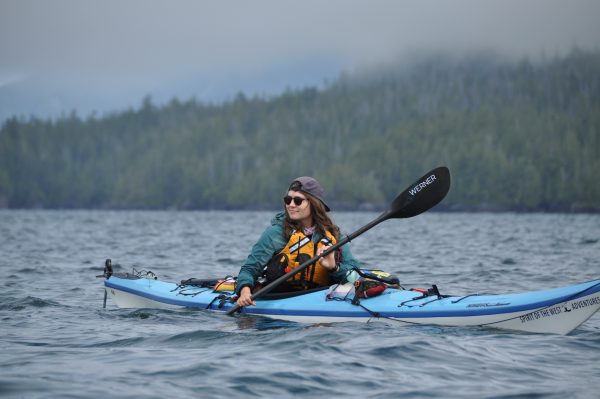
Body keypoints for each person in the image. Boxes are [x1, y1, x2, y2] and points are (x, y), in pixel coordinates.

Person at [236, 176, 360, 307]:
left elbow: (354, 275)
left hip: (320, 302)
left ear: (314, 203)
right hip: (281, 300)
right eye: (288, 200)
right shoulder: (275, 234)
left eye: (298, 201)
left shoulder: (334, 235)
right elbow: (249, 269)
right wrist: (245, 291)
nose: (291, 205)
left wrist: (334, 268)